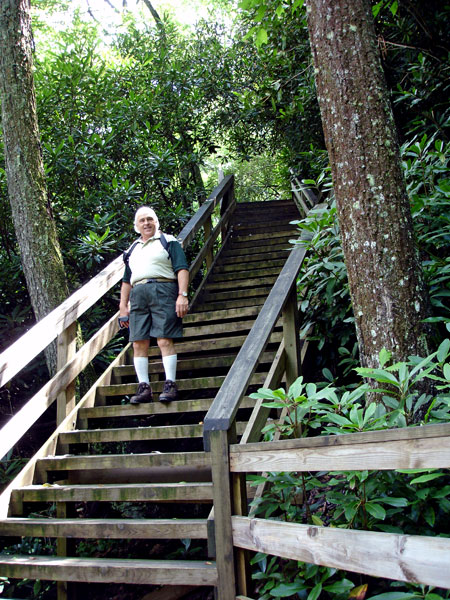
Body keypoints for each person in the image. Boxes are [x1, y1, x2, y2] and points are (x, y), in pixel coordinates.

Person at [118, 206, 189, 403]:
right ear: (136, 226)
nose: (146, 223)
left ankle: (170, 384)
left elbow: (182, 268)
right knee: (138, 341)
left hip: (163, 290)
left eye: (150, 219)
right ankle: (144, 388)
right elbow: (126, 279)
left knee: (164, 339)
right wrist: (123, 305)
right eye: (142, 220)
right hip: (138, 295)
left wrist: (182, 295)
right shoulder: (132, 249)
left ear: (156, 222)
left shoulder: (169, 241)